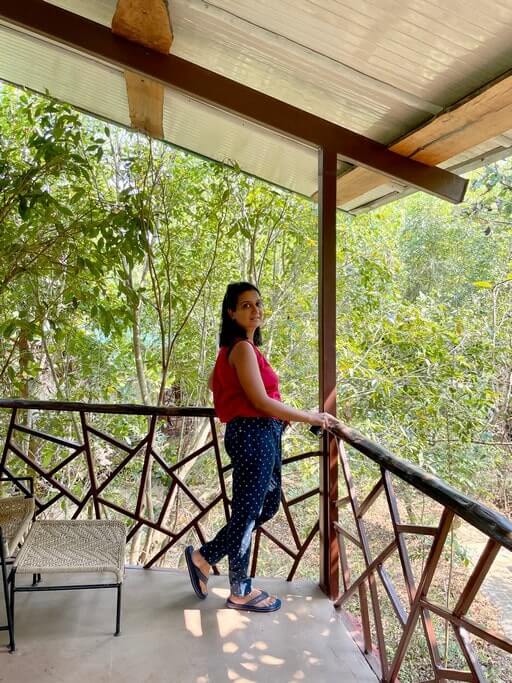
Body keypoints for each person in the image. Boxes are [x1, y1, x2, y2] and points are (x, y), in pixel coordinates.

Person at [185, 281, 336, 613]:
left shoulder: (231, 351)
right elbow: (260, 401)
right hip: (254, 434)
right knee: (250, 512)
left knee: (263, 508)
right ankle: (235, 586)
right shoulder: (241, 349)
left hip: (257, 433)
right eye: (246, 305)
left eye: (258, 304)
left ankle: (206, 559)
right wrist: (311, 416)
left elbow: (220, 387)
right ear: (231, 312)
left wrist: (277, 417)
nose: (255, 310)